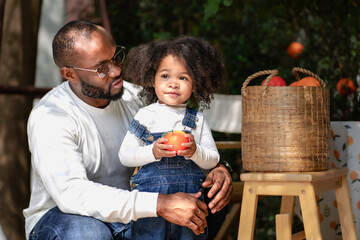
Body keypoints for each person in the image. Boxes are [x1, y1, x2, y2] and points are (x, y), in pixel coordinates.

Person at [23, 20, 233, 240]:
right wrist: (160, 204)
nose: (116, 70)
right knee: (88, 233)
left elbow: (191, 140)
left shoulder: (136, 98)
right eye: (101, 68)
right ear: (70, 74)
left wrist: (219, 168)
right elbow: (73, 195)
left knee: (208, 199)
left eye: (116, 57)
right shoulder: (51, 116)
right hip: (64, 217)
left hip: (133, 213)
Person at [118, 36, 227, 240]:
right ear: (152, 80)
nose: (173, 84)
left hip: (190, 203)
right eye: (165, 76)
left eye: (183, 78)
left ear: (195, 85)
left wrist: (196, 152)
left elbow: (212, 159)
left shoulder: (197, 119)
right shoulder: (145, 116)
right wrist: (153, 151)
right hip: (151, 205)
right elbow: (125, 156)